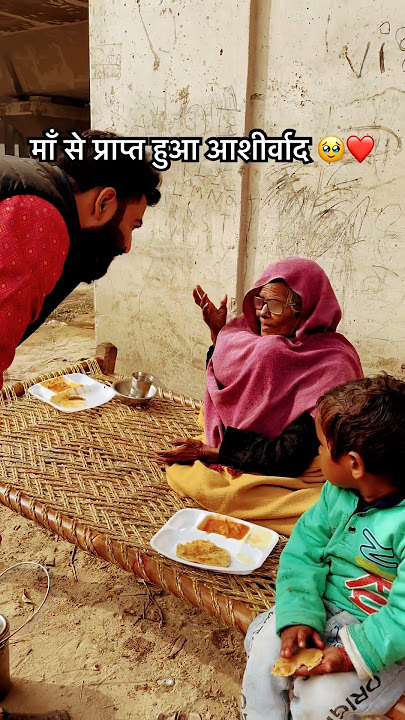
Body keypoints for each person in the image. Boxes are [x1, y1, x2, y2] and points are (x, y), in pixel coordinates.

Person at [158, 258, 363, 535]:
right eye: (260, 302)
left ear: (304, 313)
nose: (263, 313)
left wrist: (209, 452)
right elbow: (229, 389)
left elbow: (290, 455)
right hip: (246, 441)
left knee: (230, 494)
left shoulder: (333, 366)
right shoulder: (255, 339)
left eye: (275, 306)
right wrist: (218, 334)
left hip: (295, 458)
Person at [241, 374, 405, 720]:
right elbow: (304, 551)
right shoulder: (337, 494)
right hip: (323, 606)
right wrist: (299, 615)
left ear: (354, 464)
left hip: (383, 638)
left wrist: (350, 654)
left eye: (321, 445)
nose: (316, 451)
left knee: (320, 701)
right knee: (264, 650)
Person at [0, 130, 161, 387]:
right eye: (132, 225)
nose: (127, 246)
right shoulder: (40, 217)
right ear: (105, 202)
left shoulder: (30, 186)